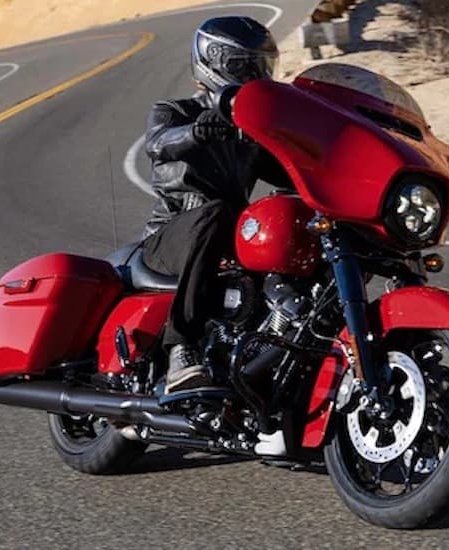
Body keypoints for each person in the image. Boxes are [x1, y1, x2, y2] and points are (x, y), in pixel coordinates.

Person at [140, 16, 288, 393]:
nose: (257, 76)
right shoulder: (175, 111)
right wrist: (196, 132)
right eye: (246, 67)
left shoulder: (249, 134)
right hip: (169, 238)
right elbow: (158, 143)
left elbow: (291, 174)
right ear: (216, 61)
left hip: (226, 235)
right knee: (218, 211)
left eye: (262, 67)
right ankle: (180, 350)